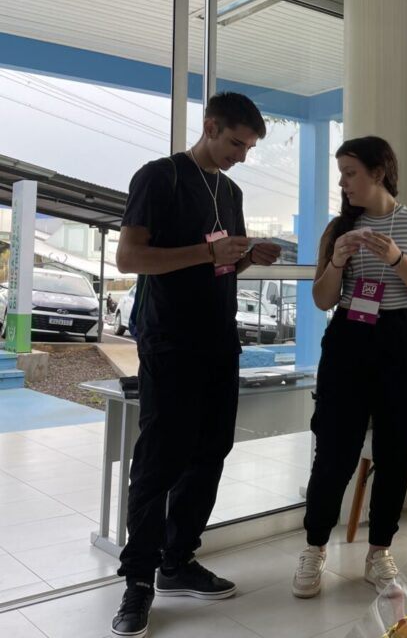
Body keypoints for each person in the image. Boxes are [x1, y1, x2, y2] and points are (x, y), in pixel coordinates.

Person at [111, 92, 281, 637]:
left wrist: (246, 257)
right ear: (209, 126)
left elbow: (221, 265)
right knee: (160, 461)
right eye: (236, 143)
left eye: (249, 147)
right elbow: (129, 258)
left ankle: (177, 560)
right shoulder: (159, 178)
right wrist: (209, 252)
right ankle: (138, 581)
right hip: (169, 340)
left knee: (210, 452)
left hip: (219, 339)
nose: (242, 155)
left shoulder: (229, 192)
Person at [291, 136, 407, 599]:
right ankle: (315, 546)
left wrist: (396, 259)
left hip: (402, 340)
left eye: (350, 173)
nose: (343, 182)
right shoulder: (339, 228)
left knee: (395, 451)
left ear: (379, 173)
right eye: (341, 173)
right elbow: (322, 300)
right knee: (334, 449)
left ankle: (380, 551)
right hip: (349, 340)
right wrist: (338, 260)